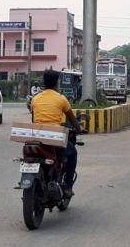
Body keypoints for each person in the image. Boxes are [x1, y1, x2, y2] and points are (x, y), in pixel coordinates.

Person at [30, 69, 86, 198]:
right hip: (55, 138)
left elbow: (34, 120)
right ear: (57, 83)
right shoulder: (61, 99)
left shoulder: (35, 99)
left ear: (44, 82)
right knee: (72, 153)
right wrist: (79, 130)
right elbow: (72, 119)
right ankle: (67, 186)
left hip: (37, 137)